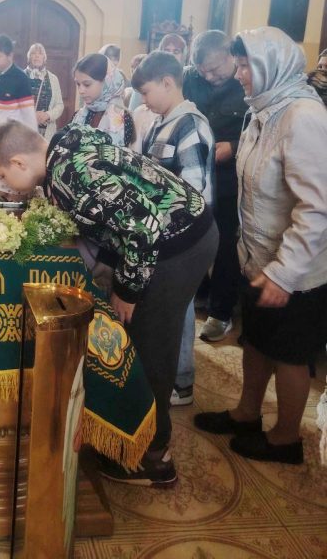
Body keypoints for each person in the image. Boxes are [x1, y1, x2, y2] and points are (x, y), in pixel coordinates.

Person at [0, 119, 218, 486]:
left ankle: (154, 458)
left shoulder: (68, 177)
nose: (5, 185)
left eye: (2, 176)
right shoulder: (65, 141)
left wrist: (127, 290)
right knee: (143, 338)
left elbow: (143, 228)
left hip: (177, 245)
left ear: (18, 163)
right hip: (181, 229)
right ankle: (133, 436)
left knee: (150, 344)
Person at [195, 26, 327, 465]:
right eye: (239, 64)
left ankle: (286, 439)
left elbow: (317, 208)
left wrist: (284, 273)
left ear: (273, 65)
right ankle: (246, 414)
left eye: (246, 65)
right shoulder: (264, 109)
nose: (239, 74)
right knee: (255, 340)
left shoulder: (303, 117)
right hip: (258, 257)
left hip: (296, 269)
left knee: (289, 354)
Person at [132, 51, 215, 407]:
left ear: (168, 82)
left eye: (146, 92)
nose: (144, 102)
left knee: (179, 307)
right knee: (166, 307)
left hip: (184, 236)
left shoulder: (189, 125)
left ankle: (181, 381)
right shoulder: (162, 121)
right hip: (163, 232)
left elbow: (192, 192)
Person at [183, 30, 249, 341]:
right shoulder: (189, 79)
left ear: (230, 56)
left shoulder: (247, 82)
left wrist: (233, 148)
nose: (209, 77)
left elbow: (260, 133)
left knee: (225, 245)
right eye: (203, 71)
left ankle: (221, 312)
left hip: (228, 179)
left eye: (215, 69)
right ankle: (198, 292)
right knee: (191, 235)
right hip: (193, 175)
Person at [73, 53, 135, 147]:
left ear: (106, 82)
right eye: (78, 84)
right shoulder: (79, 115)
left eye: (87, 84)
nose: (81, 91)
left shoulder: (123, 118)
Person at [24, 43, 65, 140]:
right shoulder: (20, 76)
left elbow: (59, 105)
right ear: (29, 57)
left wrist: (47, 115)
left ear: (44, 58)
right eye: (33, 53)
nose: (37, 56)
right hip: (24, 130)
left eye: (40, 53)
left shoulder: (53, 78)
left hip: (47, 132)